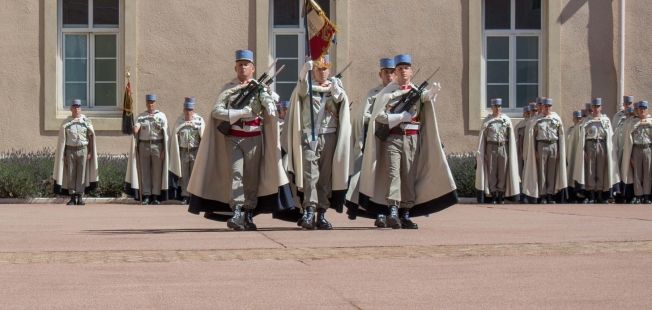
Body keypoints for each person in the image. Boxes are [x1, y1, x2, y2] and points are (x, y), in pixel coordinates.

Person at [186, 49, 295, 230]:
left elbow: (269, 104)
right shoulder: (229, 88)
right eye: (240, 64)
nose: (243, 67)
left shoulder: (259, 88)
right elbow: (215, 112)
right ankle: (236, 211)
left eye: (246, 64)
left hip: (253, 138)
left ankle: (248, 213)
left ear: (253, 68)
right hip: (234, 137)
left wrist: (270, 101)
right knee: (236, 175)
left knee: (251, 178)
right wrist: (238, 113)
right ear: (235, 67)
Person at [358, 54, 458, 229]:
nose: (403, 71)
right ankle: (394, 210)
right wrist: (398, 117)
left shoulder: (417, 91)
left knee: (409, 176)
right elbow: (379, 116)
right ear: (395, 73)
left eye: (406, 68)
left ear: (411, 71)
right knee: (393, 174)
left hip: (412, 139)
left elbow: (424, 99)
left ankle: (406, 213)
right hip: (393, 138)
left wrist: (432, 93)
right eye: (399, 69)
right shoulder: (387, 92)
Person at [283, 55, 352, 230]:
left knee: (324, 177)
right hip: (309, 136)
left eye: (325, 69)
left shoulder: (335, 88)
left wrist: (338, 93)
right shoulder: (307, 87)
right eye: (319, 69)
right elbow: (301, 89)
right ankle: (309, 210)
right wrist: (303, 71)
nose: (322, 72)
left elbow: (341, 104)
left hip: (329, 136)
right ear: (314, 70)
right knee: (310, 175)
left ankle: (321, 213)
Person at [346, 57, 396, 227]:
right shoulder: (373, 93)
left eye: (392, 72)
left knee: (393, 177)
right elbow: (362, 117)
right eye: (386, 72)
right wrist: (376, 119)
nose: (389, 75)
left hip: (395, 140)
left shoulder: (401, 92)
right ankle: (379, 213)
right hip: (376, 140)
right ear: (380, 74)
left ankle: (396, 212)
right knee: (375, 178)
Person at [569, 98, 619, 204]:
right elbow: (582, 138)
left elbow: (610, 137)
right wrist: (583, 151)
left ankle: (600, 194)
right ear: (591, 108)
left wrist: (608, 152)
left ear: (601, 107)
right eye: (594, 106)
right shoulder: (587, 120)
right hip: (590, 144)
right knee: (590, 171)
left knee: (601, 170)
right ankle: (591, 194)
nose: (596, 109)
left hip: (602, 144)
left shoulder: (606, 120)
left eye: (598, 106)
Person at [125, 94, 170, 205]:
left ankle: (156, 195)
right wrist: (134, 128)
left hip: (157, 145)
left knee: (157, 171)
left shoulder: (161, 116)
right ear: (146, 104)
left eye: (152, 102)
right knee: (144, 172)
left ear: (155, 103)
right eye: (149, 102)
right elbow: (137, 128)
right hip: (144, 146)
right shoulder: (141, 117)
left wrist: (164, 150)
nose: (151, 105)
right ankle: (146, 195)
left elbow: (166, 134)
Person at [53, 99, 99, 205]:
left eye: (78, 107)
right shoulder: (66, 122)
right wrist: (63, 154)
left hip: (83, 149)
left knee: (82, 173)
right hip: (70, 150)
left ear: (80, 109)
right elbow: (62, 140)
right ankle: (72, 196)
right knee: (71, 173)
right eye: (74, 107)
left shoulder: (86, 121)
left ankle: (80, 196)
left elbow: (91, 137)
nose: (76, 109)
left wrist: (91, 151)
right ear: (71, 109)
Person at [475, 98, 519, 204]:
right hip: (491, 147)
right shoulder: (487, 121)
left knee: (502, 171)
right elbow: (483, 138)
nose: (498, 108)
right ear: (492, 107)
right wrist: (484, 152)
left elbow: (510, 137)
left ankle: (501, 194)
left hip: (503, 147)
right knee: (492, 171)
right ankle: (493, 194)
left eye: (499, 106)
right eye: (495, 106)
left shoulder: (506, 120)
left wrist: (510, 151)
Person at [523, 98, 567, 204]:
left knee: (551, 171)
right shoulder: (536, 120)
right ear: (542, 107)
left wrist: (560, 151)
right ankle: (542, 194)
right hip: (541, 145)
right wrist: (535, 151)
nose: (547, 108)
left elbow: (561, 136)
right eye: (545, 106)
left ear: (551, 107)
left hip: (553, 145)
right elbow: (532, 136)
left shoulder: (556, 119)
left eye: (549, 107)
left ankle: (550, 194)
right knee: (541, 171)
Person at [169, 97, 205, 205]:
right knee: (184, 175)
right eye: (186, 110)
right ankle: (185, 195)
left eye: (190, 110)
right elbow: (175, 137)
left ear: (193, 110)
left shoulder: (199, 121)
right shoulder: (179, 121)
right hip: (184, 151)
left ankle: (194, 196)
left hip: (195, 151)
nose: (188, 112)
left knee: (195, 175)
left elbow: (204, 137)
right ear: (183, 110)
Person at [619, 102, 651, 204]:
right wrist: (630, 155)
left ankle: (647, 195)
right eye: (640, 109)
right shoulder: (633, 123)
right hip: (636, 149)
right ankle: (638, 195)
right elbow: (629, 141)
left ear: (647, 110)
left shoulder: (650, 122)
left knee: (648, 173)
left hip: (648, 149)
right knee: (637, 173)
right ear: (637, 110)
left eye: (644, 109)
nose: (642, 111)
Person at [565, 111, 583, 203]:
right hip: (572, 156)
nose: (579, 120)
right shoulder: (570, 130)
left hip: (579, 157)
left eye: (580, 118)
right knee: (571, 176)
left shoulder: (583, 129)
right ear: (573, 119)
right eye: (577, 118)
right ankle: (572, 196)